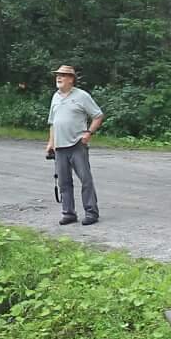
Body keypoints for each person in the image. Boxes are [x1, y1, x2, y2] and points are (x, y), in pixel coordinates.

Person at [45, 64, 106, 225]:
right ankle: (68, 213)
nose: (59, 77)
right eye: (58, 75)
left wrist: (89, 133)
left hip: (77, 145)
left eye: (63, 75)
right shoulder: (55, 97)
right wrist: (51, 143)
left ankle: (91, 213)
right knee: (64, 182)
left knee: (85, 180)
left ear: (71, 79)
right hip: (60, 147)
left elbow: (98, 116)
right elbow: (53, 122)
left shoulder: (82, 96)